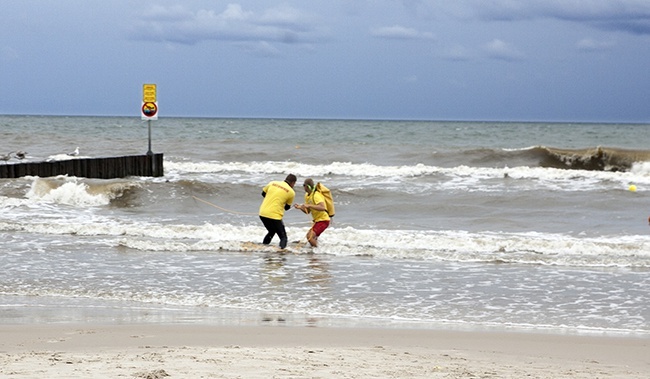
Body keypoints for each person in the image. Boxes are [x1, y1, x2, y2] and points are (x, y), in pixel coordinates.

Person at [259, 174, 297, 249]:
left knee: (272, 231)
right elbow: (286, 207)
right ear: (293, 183)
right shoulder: (291, 192)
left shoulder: (272, 183)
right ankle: (281, 253)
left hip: (262, 213)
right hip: (275, 216)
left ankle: (263, 248)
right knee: (283, 238)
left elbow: (263, 193)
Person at [293, 178, 330, 247]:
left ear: (307, 186)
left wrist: (309, 205)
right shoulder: (307, 196)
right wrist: (300, 207)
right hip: (317, 221)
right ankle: (315, 252)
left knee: (309, 236)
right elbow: (307, 212)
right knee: (311, 237)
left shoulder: (316, 195)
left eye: (304, 185)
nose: (303, 187)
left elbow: (322, 207)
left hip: (323, 220)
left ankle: (317, 251)